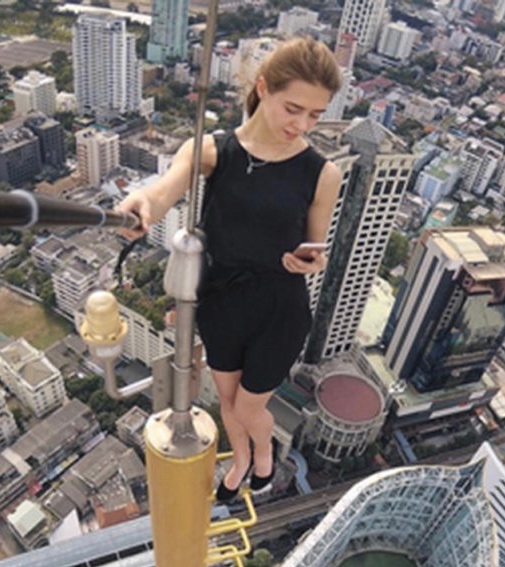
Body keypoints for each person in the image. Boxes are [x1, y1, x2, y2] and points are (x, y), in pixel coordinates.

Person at [117, 37, 343, 501]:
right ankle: (240, 462)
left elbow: (314, 247)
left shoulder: (324, 174)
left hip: (279, 308)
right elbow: (164, 190)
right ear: (263, 88)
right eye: (293, 109)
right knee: (226, 400)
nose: (302, 125)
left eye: (315, 115)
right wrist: (143, 203)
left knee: (248, 405)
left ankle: (264, 454)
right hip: (221, 301)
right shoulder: (212, 151)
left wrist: (313, 262)